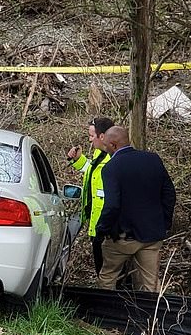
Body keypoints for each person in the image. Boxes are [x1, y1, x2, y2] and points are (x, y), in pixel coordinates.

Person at [95, 126, 176, 292]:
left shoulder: (111, 168)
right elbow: (169, 194)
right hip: (152, 235)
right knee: (150, 283)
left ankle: (106, 314)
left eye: (107, 146)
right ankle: (151, 316)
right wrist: (164, 222)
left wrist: (102, 229)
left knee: (108, 276)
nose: (106, 149)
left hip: (122, 238)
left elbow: (112, 206)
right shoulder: (153, 159)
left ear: (113, 145)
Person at [67, 116, 114, 275]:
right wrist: (78, 160)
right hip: (96, 224)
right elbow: (92, 172)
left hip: (107, 227)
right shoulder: (98, 154)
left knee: (107, 271)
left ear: (102, 137)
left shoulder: (114, 160)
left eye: (91, 136)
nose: (89, 140)